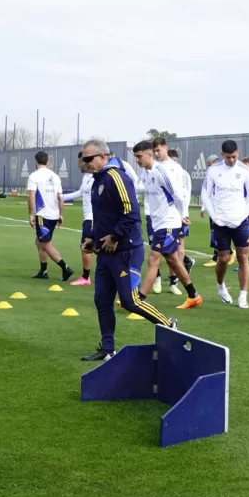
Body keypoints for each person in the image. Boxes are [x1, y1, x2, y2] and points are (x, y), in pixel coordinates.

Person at [78, 139, 176, 361]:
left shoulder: (117, 176)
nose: (85, 163)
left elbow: (131, 213)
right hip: (105, 253)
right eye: (83, 159)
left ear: (103, 156)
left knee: (130, 301)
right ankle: (108, 348)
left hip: (125, 250)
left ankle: (169, 324)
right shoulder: (96, 180)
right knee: (102, 301)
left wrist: (115, 236)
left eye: (88, 159)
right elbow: (103, 218)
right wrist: (93, 239)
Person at [133, 141, 203, 310]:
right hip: (159, 224)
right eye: (135, 157)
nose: (137, 160)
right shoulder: (146, 173)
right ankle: (193, 295)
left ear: (149, 155)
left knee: (153, 259)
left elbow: (178, 195)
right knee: (173, 260)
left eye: (139, 156)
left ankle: (140, 299)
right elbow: (141, 189)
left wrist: (182, 216)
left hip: (168, 223)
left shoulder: (160, 172)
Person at [203, 140, 249, 309]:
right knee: (224, 258)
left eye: (234, 156)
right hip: (220, 222)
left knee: (243, 257)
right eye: (228, 157)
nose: (232, 160)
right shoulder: (213, 170)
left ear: (238, 153)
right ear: (222, 155)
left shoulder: (246, 171)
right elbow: (205, 193)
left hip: (240, 222)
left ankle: (243, 296)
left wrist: (244, 214)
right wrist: (214, 216)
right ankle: (220, 286)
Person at [27, 151, 73, 282]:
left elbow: (31, 197)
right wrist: (61, 214)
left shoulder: (34, 176)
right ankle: (43, 270)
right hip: (53, 214)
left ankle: (65, 267)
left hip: (43, 214)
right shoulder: (55, 176)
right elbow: (60, 198)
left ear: (36, 161)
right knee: (39, 241)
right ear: (47, 162)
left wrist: (31, 214)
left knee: (44, 243)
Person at [63, 154, 95, 286]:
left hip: (93, 218)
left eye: (79, 161)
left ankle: (86, 277)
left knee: (86, 246)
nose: (78, 164)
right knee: (91, 247)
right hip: (88, 218)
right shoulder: (86, 177)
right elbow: (80, 193)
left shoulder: (96, 177)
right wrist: (60, 197)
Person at [167, 147, 196, 286]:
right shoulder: (163, 172)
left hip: (181, 215)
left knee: (179, 246)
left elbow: (187, 194)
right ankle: (185, 264)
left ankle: (176, 278)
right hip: (166, 216)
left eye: (175, 161)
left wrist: (183, 213)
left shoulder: (183, 174)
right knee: (168, 247)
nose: (174, 163)